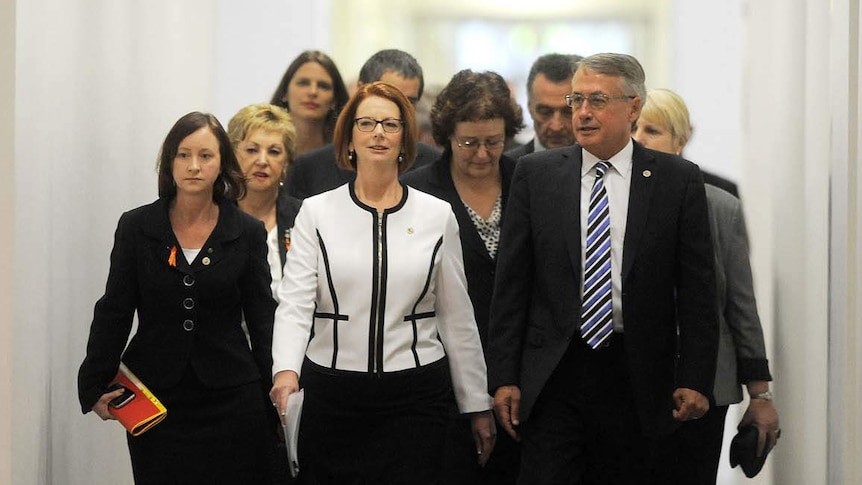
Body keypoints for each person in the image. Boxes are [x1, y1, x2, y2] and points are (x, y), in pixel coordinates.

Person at [486, 53, 719, 484]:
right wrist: (503, 376)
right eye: (577, 99)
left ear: (633, 106)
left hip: (637, 375)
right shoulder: (535, 175)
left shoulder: (676, 179)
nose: (583, 112)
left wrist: (696, 378)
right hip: (555, 372)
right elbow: (512, 285)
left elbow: (698, 290)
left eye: (597, 100)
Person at [269, 82, 495, 484]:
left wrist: (477, 403)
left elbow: (457, 315)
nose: (378, 132)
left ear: (405, 139)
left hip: (416, 396)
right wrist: (285, 371)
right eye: (367, 122)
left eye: (390, 124)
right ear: (349, 136)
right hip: (333, 395)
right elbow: (295, 303)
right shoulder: (316, 213)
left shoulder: (436, 215)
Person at [77, 112, 278, 483]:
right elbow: (115, 309)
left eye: (206, 156)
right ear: (169, 162)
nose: (194, 166)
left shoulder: (246, 232)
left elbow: (263, 317)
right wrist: (94, 383)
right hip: (156, 398)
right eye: (183, 155)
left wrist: (278, 384)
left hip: (232, 398)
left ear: (222, 165)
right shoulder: (137, 227)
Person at [633, 88, 780, 484]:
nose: (639, 139)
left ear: (680, 140)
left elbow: (740, 305)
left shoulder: (719, 206)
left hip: (707, 384)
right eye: (633, 128)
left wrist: (760, 394)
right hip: (632, 380)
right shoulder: (609, 206)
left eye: (653, 129)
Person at [401, 69, 524, 484]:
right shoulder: (417, 193)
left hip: (521, 374)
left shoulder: (528, 182)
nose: (483, 155)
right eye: (469, 143)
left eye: (494, 142)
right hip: (442, 376)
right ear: (445, 136)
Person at [285, 49, 441, 199]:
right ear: (361, 90)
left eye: (409, 101)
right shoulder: (311, 168)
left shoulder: (435, 166)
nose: (397, 109)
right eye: (387, 96)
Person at [228, 103, 301, 295]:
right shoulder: (213, 215)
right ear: (233, 155)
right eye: (252, 150)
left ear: (286, 161)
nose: (262, 161)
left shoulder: (303, 217)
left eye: (274, 152)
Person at [270, 50, 350, 156]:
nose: (313, 92)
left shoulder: (346, 156)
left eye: (323, 86)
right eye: (303, 83)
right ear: (285, 93)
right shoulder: (263, 152)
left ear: (334, 100)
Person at [505, 53, 582, 160]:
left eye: (568, 112)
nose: (556, 126)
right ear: (529, 107)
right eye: (545, 112)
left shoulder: (603, 169)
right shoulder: (504, 169)